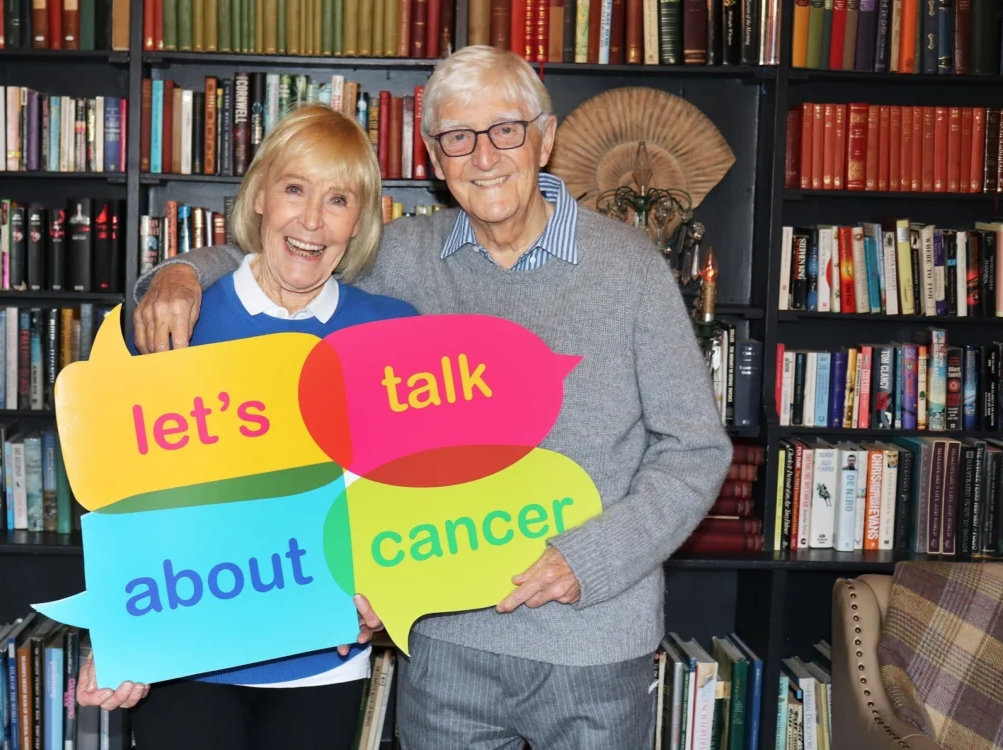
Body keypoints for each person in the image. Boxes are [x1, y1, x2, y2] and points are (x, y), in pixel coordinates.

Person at [130, 46, 733, 749]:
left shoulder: (630, 270)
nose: (484, 156)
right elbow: (286, 253)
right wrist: (175, 273)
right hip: (446, 649)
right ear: (434, 160)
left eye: (506, 129)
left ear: (546, 137)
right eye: (457, 138)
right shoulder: (404, 257)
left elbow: (694, 448)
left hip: (591, 647)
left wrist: (589, 561)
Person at [75, 105, 417, 750]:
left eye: (338, 199)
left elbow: (411, 491)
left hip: (323, 660)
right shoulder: (179, 319)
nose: (312, 220)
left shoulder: (391, 333)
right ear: (259, 195)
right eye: (295, 189)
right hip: (187, 658)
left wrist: (391, 584)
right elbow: (134, 496)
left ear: (359, 222)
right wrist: (122, 633)